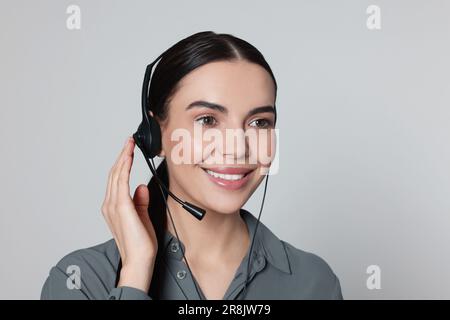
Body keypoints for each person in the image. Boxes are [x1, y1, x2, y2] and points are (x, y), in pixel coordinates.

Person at [40, 31, 343, 300]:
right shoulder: (80, 280)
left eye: (259, 122)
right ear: (155, 136)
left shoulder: (314, 283)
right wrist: (135, 273)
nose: (237, 148)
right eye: (208, 120)